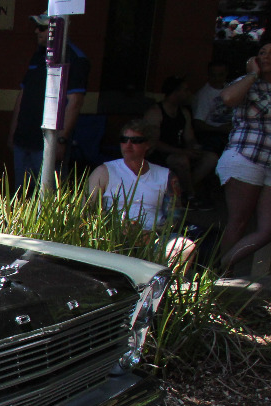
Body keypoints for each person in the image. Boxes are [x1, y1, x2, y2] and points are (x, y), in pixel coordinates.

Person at [88, 120, 196, 268]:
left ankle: (163, 287)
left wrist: (150, 234)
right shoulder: (104, 171)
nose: (128, 145)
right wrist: (114, 229)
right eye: (124, 140)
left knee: (184, 246)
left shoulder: (165, 176)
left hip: (154, 237)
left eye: (136, 141)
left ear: (148, 144)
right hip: (114, 237)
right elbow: (87, 211)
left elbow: (175, 217)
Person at [8, 14, 89, 187]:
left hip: (48, 144)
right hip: (23, 140)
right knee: (20, 197)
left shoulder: (75, 58)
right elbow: (23, 94)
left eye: (42, 27)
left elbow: (74, 103)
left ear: (58, 29)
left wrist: (60, 141)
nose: (36, 31)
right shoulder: (38, 54)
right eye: (36, 26)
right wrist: (13, 132)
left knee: (48, 199)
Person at [216, 41, 271, 272]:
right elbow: (227, 98)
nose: (266, 56)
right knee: (238, 221)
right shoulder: (247, 82)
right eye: (262, 52)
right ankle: (215, 278)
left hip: (269, 162)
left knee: (267, 229)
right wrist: (252, 75)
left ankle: (222, 264)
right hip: (245, 157)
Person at [144, 76, 218, 206]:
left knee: (211, 158)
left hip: (181, 152)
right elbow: (153, 143)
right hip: (160, 155)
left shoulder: (184, 113)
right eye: (185, 90)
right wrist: (183, 151)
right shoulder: (156, 112)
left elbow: (189, 137)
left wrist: (194, 147)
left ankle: (181, 190)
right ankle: (190, 196)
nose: (189, 93)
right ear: (175, 92)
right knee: (181, 160)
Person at [193, 61, 234, 154]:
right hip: (212, 136)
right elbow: (198, 124)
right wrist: (220, 129)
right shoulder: (203, 95)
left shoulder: (231, 88)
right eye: (213, 75)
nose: (217, 78)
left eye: (221, 75)